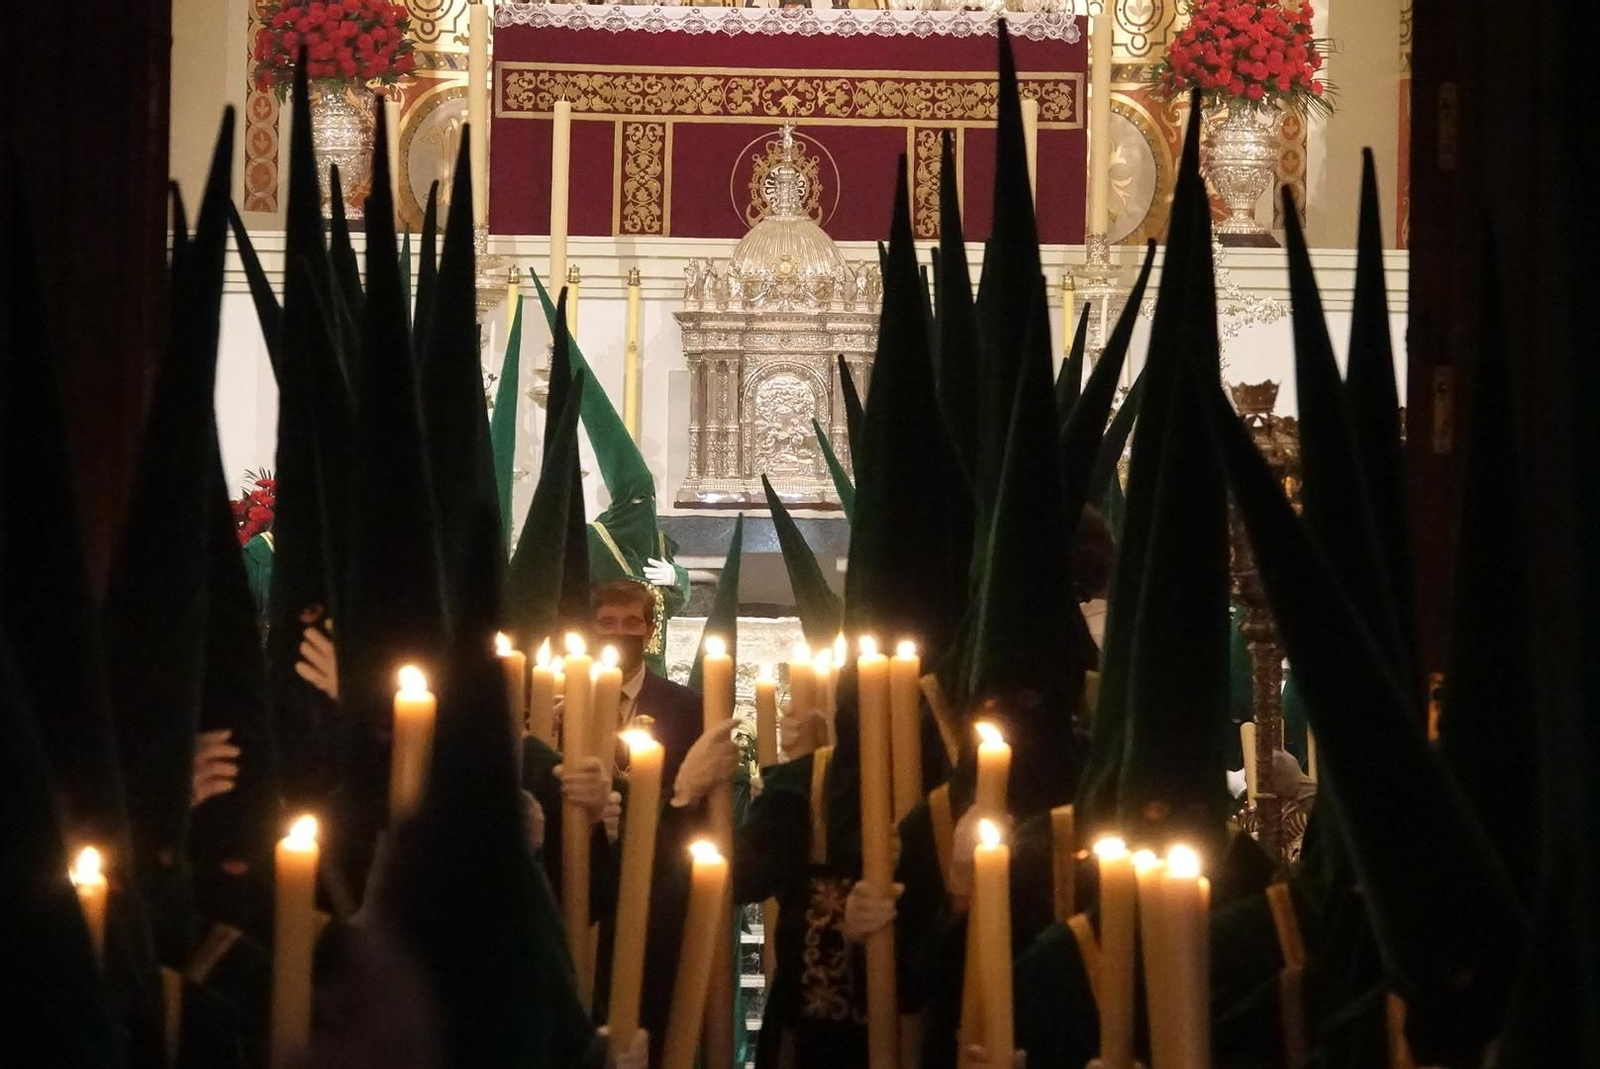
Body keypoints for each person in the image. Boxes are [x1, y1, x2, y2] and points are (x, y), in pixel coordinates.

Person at [591, 578, 703, 788]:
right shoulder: (564, 702)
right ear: (593, 630)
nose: (619, 632)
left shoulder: (688, 708)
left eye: (632, 622)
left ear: (650, 632)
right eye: (608, 623)